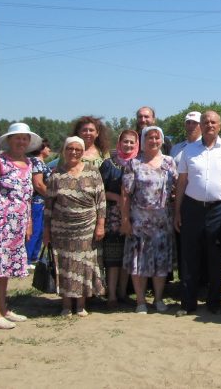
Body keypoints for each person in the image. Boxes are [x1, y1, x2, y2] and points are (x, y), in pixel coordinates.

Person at [174, 110, 221, 316]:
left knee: (216, 258)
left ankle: (214, 302)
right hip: (192, 208)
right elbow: (182, 182)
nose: (209, 125)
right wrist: (177, 212)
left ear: (220, 126)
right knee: (189, 257)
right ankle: (188, 303)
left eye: (213, 122)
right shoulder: (189, 150)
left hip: (219, 210)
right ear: (200, 126)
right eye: (205, 122)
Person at [0, 122, 41, 330]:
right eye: (17, 138)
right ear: (9, 140)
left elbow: (27, 196)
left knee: (7, 267)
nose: (21, 141)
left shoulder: (28, 163)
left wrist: (28, 222)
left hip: (18, 223)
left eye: (24, 138)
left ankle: (3, 307)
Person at [44, 137, 106, 317]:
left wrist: (100, 225)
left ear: (82, 152)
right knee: (64, 265)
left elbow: (101, 202)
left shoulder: (93, 173)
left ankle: (80, 304)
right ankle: (65, 304)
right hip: (61, 229)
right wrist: (46, 231)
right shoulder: (55, 175)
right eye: (70, 148)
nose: (74, 152)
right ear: (64, 151)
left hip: (87, 227)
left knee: (84, 264)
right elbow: (48, 205)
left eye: (78, 149)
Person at [119, 126, 177, 314]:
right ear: (143, 141)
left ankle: (159, 299)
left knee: (161, 262)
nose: (153, 141)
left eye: (157, 137)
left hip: (162, 222)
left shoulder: (169, 162)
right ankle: (141, 301)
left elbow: (176, 190)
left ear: (161, 140)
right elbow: (126, 194)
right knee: (139, 262)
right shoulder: (134, 164)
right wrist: (125, 219)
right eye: (150, 137)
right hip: (139, 222)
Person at [100, 130, 139, 308]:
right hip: (113, 216)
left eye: (132, 142)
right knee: (113, 257)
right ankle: (112, 295)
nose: (128, 145)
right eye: (126, 142)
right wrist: (118, 198)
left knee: (128, 256)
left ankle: (123, 293)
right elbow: (99, 190)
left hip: (135, 215)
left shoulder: (140, 163)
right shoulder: (109, 165)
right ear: (119, 143)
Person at [26, 138, 52, 265]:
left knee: (41, 230)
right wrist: (50, 195)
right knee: (35, 230)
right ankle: (28, 258)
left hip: (43, 202)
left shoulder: (42, 163)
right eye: (47, 147)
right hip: (37, 201)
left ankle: (34, 257)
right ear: (41, 148)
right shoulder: (36, 162)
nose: (50, 150)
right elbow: (38, 184)